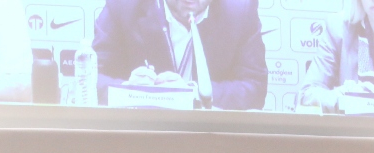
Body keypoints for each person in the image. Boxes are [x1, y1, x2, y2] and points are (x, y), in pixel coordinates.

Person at [93, 0, 268, 110]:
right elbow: (92, 78)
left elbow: (255, 87)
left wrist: (192, 94)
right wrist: (129, 91)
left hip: (209, 137)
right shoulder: (124, 5)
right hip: (138, 132)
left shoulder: (241, 9)